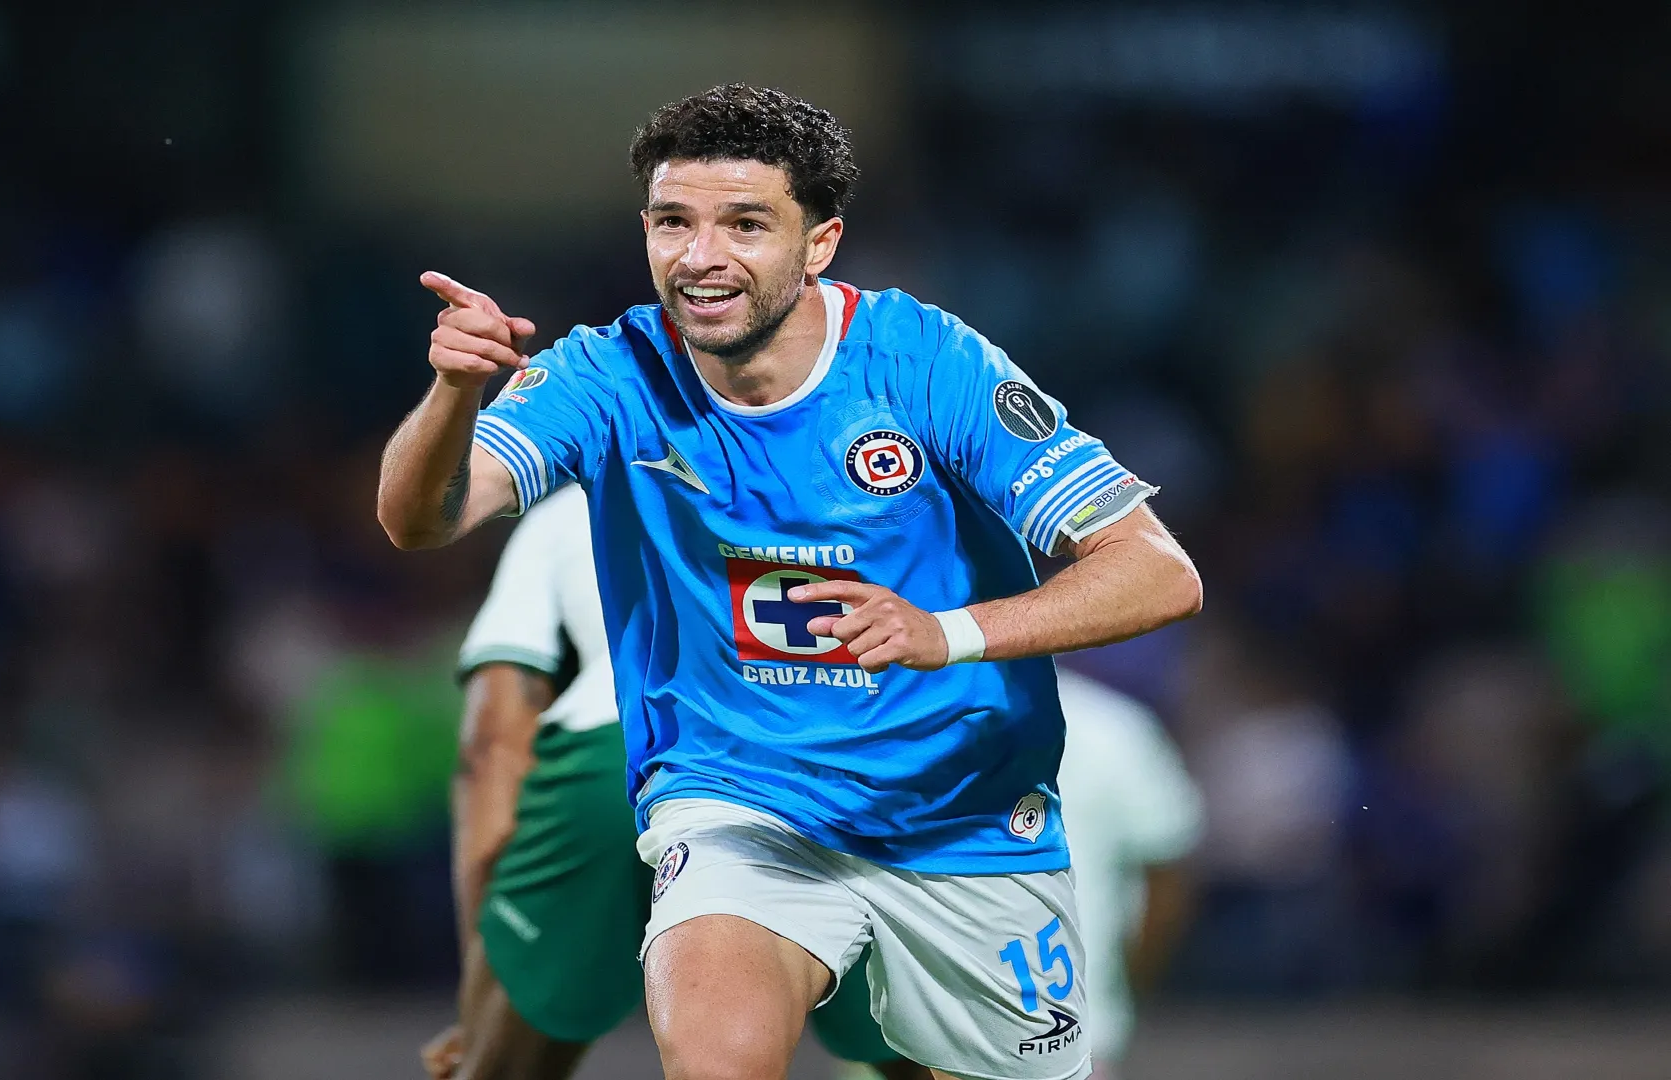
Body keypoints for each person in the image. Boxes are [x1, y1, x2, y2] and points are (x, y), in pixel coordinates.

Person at [378, 83, 1202, 1080]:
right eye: (673, 222)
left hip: (961, 820)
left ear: (820, 243)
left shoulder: (926, 363)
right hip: (735, 805)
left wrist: (948, 632)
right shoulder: (610, 372)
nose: (700, 256)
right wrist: (455, 394)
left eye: (745, 224)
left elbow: (1156, 572)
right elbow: (423, 517)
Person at [421, 484, 928, 1080]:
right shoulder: (838, 486)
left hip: (620, 760)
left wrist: (492, 970)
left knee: (505, 1069)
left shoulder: (576, 504)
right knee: (924, 1060)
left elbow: (493, 743)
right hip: (828, 767)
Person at [1052, 665, 1205, 1080]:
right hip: (1071, 1019)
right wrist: (1129, 984)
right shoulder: (1114, 725)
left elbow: (1167, 876)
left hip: (911, 1025)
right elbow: (1168, 881)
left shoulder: (906, 717)